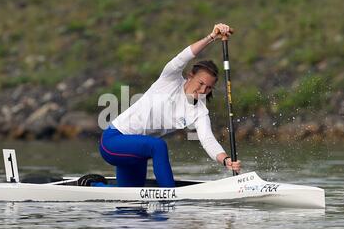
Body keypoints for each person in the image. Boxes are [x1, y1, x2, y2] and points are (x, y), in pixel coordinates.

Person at [99, 23, 241, 187]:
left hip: (136, 153)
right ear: (190, 76)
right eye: (200, 83)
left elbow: (207, 140)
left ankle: (92, 185)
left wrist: (226, 160)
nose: (203, 90)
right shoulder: (169, 79)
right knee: (158, 146)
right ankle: (170, 195)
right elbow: (183, 57)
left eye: (208, 88)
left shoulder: (199, 112)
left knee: (129, 200)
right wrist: (211, 37)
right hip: (114, 140)